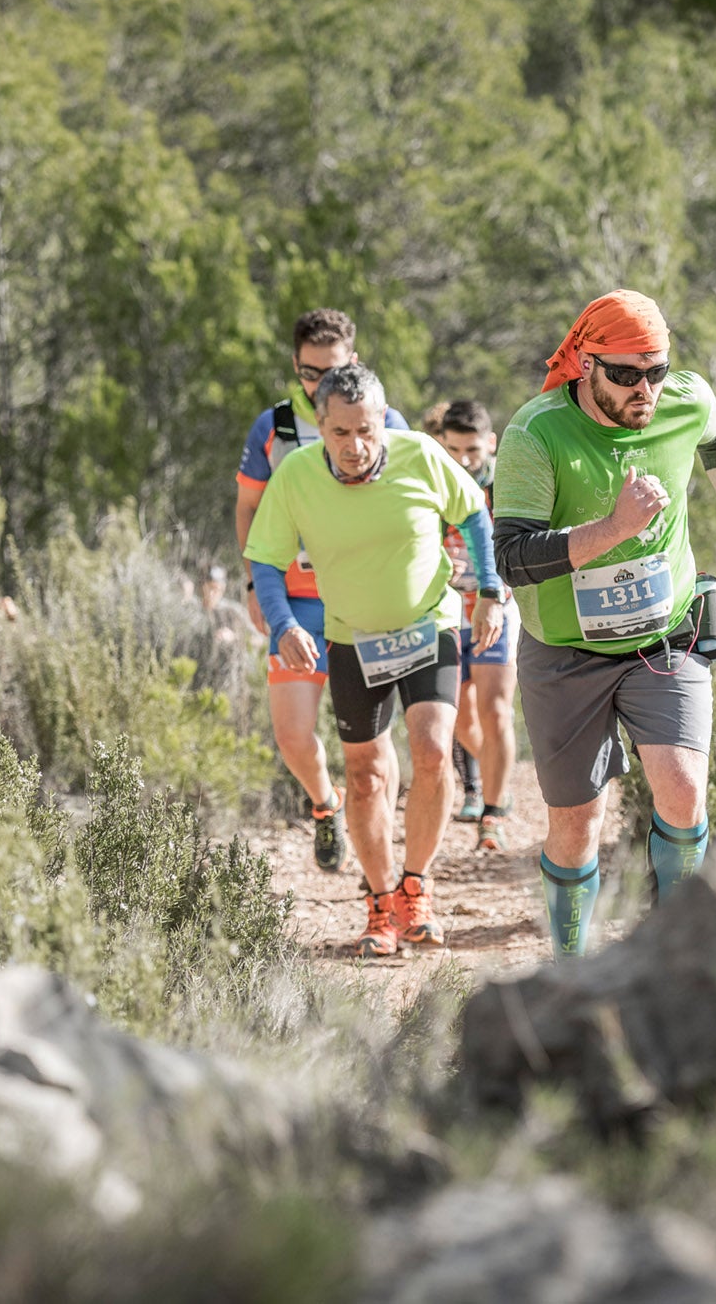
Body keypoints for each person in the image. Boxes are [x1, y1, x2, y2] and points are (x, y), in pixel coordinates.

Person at [493, 290, 716, 958]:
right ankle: (571, 967)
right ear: (586, 364)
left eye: (657, 370)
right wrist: (614, 528)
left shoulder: (681, 401)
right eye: (625, 373)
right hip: (565, 654)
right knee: (578, 824)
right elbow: (513, 559)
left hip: (663, 637)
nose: (645, 388)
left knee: (682, 788)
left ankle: (679, 959)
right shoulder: (536, 433)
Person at [245, 364, 503, 957]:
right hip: (352, 637)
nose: (356, 447)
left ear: (383, 423)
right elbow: (264, 558)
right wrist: (283, 624)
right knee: (365, 778)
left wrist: (488, 590)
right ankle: (381, 903)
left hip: (428, 621)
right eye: (340, 433)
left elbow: (473, 514)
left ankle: (416, 886)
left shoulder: (419, 454)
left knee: (435, 752)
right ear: (321, 426)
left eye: (367, 430)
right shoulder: (297, 476)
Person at [235, 309, 411, 872]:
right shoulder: (275, 428)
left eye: (332, 371)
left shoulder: (389, 421)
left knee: (376, 749)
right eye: (309, 373)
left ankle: (379, 861)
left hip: (367, 603)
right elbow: (249, 507)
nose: (320, 385)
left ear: (353, 363)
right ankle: (325, 804)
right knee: (291, 733)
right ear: (295, 367)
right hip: (297, 600)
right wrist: (252, 586)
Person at [432, 399, 521, 853]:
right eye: (453, 450)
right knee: (460, 718)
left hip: (496, 606)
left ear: (490, 443)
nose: (463, 460)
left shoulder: (507, 482)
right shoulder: (432, 479)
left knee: (497, 710)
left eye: (471, 450)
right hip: (446, 611)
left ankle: (494, 812)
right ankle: (492, 780)